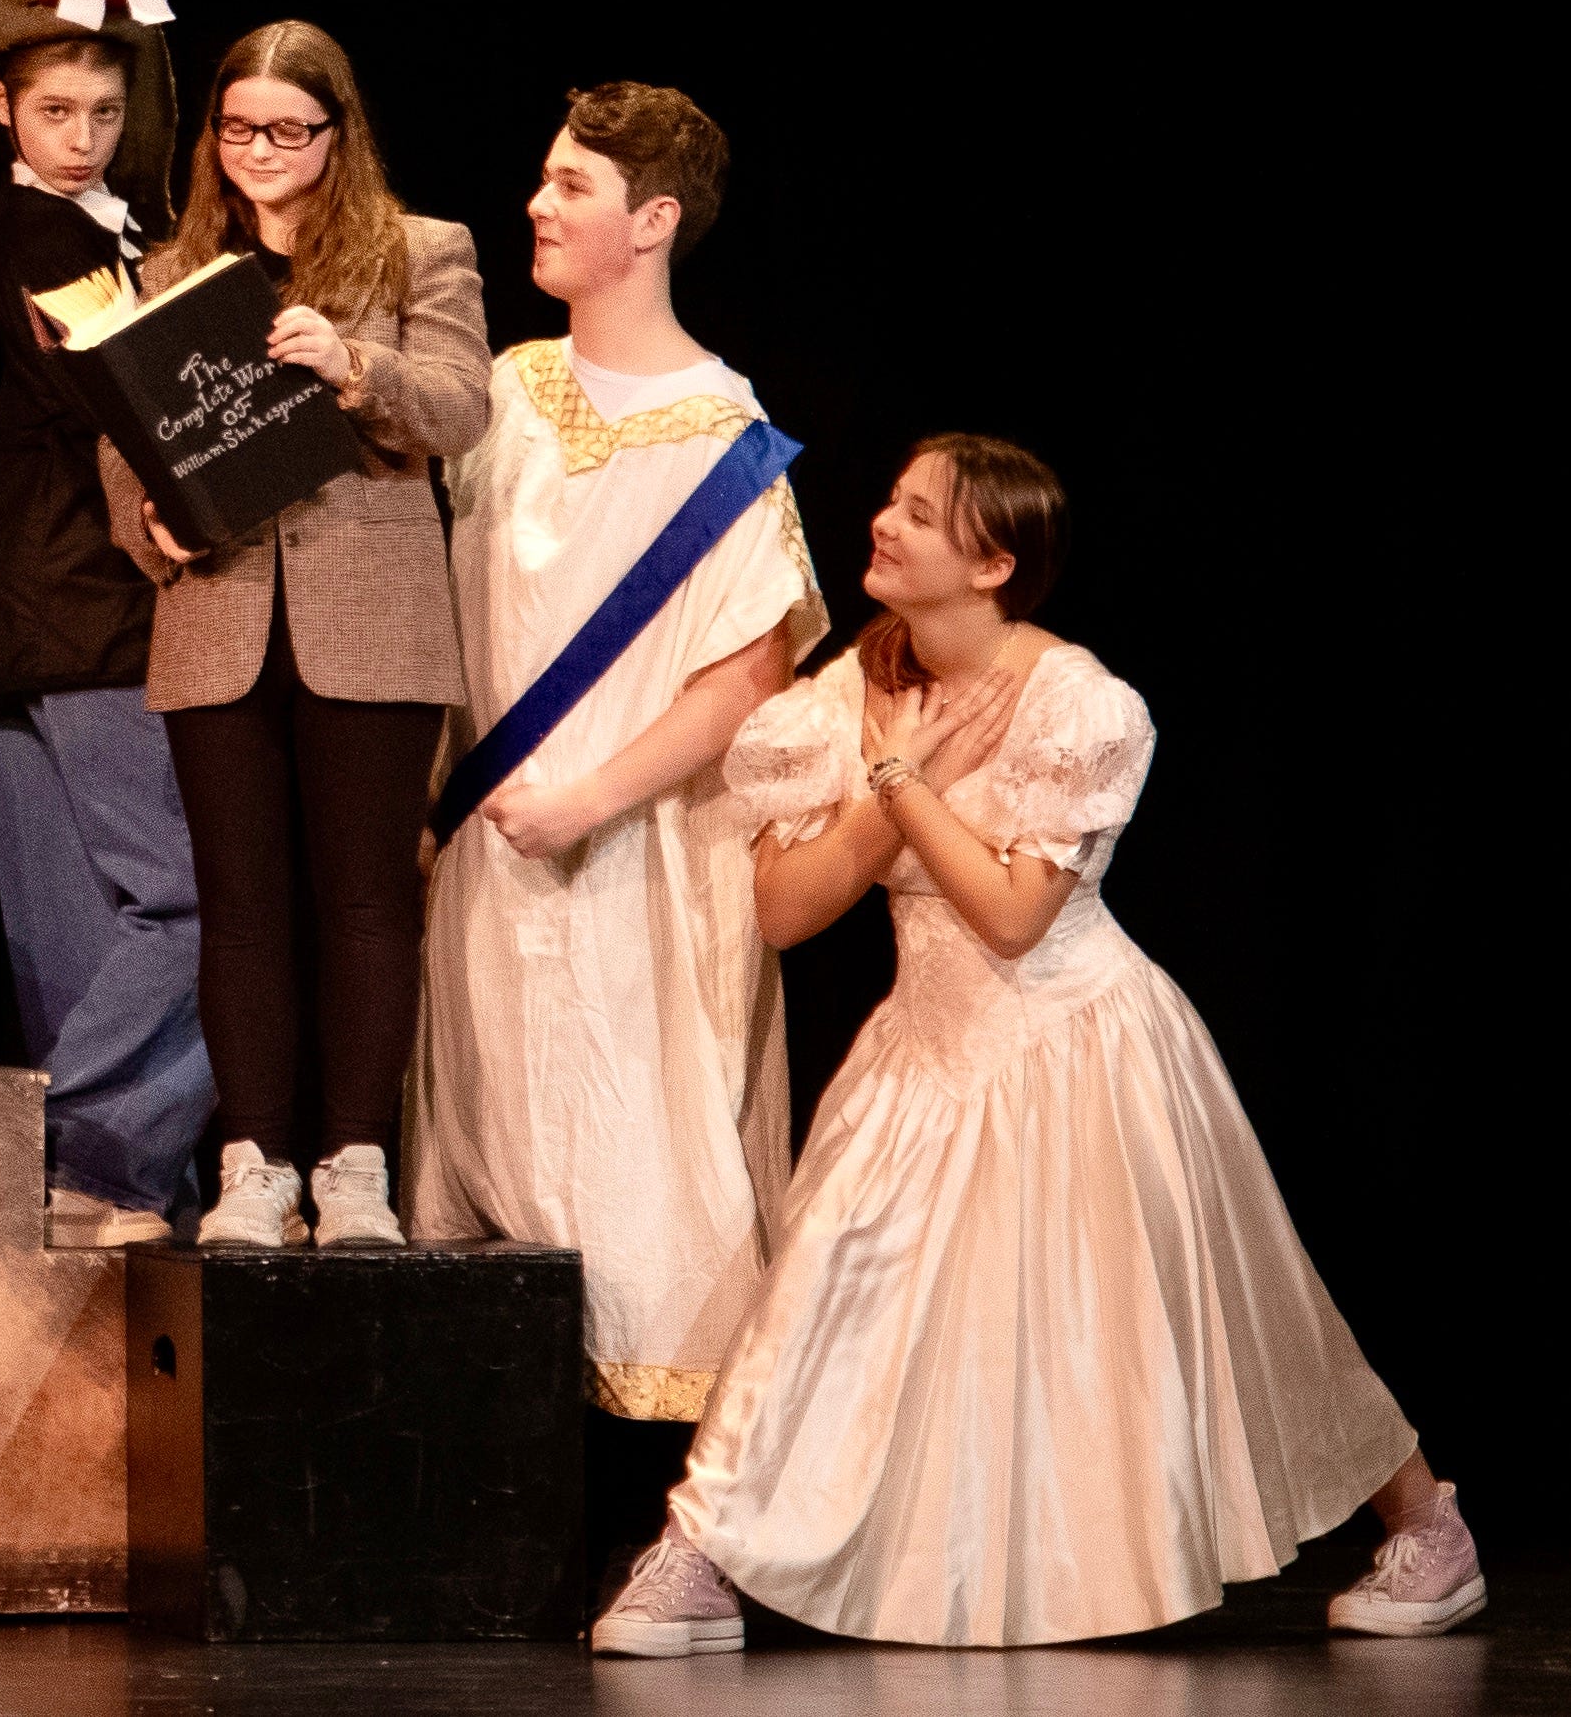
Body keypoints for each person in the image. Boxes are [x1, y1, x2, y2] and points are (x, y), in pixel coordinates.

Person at [589, 438, 1479, 1653]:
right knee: (818, 1294)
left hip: (1080, 1042)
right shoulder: (847, 691)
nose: (884, 523)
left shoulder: (1078, 705)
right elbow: (786, 911)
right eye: (892, 502)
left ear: (991, 563)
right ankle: (697, 1554)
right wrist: (888, 785)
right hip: (923, 1050)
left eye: (919, 514)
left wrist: (900, 786)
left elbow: (1014, 917)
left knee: (1240, 1315)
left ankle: (1428, 1524)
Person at [405, 84, 825, 1428]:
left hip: (640, 859)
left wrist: (588, 794)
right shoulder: (501, 392)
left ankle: (669, 1501)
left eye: (570, 185)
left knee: (638, 1147)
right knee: (485, 1131)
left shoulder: (722, 434)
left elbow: (747, 674)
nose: (536, 203)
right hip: (486, 849)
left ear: (651, 221)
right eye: (544, 176)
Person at [91, 22, 492, 1253]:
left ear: (336, 131)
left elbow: (461, 408)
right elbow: (123, 437)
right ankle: (253, 1163)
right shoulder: (173, 270)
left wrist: (353, 364)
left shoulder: (420, 250)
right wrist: (151, 524)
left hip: (369, 618)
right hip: (218, 614)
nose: (260, 151)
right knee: (240, 906)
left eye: (287, 130)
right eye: (237, 129)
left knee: (366, 901)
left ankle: (355, 1164)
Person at [0, 28, 216, 1248]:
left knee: (72, 938)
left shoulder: (107, 227)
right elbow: (118, 394)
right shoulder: (40, 235)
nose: (80, 139)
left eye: (103, 114)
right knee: (190, 897)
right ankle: (75, 1139)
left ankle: (98, 1184)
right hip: (76, 607)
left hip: (30, 614)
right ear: (1, 105)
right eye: (55, 111)